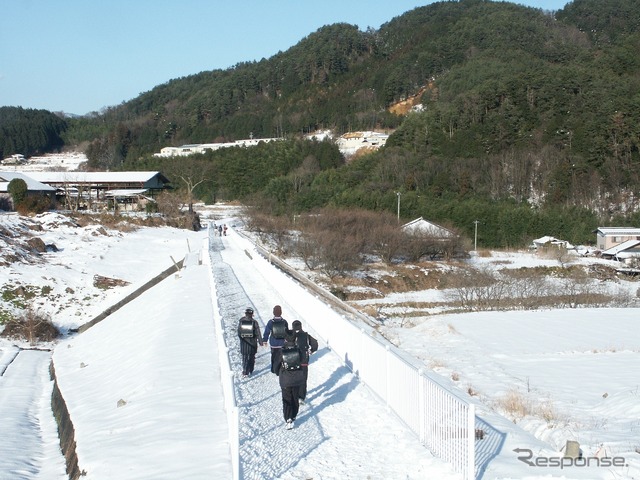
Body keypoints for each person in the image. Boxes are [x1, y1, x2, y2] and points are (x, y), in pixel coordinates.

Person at [276, 330, 305, 430]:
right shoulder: (298, 350)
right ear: (295, 339)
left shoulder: (282, 351)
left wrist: (277, 372)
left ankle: (288, 418)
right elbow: (302, 361)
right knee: (294, 397)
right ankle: (293, 415)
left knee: (286, 399)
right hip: (297, 379)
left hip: (285, 379)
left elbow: (277, 364)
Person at [291, 320, 318, 404]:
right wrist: (311, 351)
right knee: (303, 379)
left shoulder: (291, 336)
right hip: (304, 361)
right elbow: (315, 344)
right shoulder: (306, 335)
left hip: (293, 361)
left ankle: (294, 395)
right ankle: (301, 397)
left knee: (293, 378)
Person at [262, 305, 289, 374]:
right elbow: (287, 332)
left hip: (273, 343)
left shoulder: (271, 322)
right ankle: (280, 369)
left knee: (274, 356)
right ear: (281, 312)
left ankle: (273, 369)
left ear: (273, 312)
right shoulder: (284, 321)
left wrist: (265, 340)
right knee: (282, 357)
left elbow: (267, 332)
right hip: (282, 343)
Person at [237, 307, 263, 377]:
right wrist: (261, 342)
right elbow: (258, 333)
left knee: (244, 358)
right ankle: (251, 370)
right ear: (252, 314)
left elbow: (239, 332)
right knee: (252, 357)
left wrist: (242, 339)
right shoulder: (254, 322)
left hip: (244, 344)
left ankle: (245, 371)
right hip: (253, 344)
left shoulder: (241, 321)